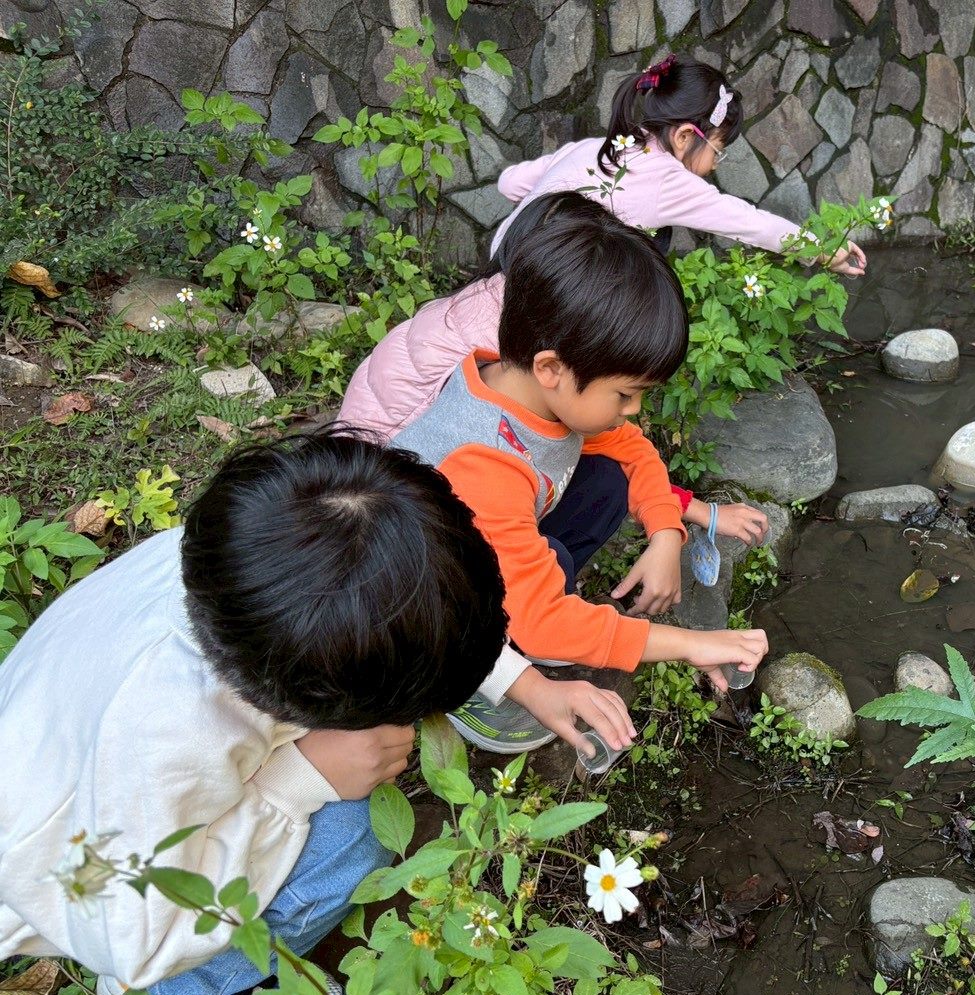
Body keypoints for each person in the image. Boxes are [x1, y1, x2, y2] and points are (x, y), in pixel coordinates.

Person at [0, 433, 630, 995]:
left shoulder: (260, 561)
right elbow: (131, 931)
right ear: (311, 690)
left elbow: (400, 604)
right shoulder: (161, 735)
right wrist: (302, 780)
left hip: (91, 770)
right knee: (352, 831)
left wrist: (522, 681)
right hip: (101, 895)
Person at [391, 192, 768, 748]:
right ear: (551, 367)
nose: (634, 408)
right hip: (422, 608)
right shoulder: (479, 460)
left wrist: (666, 533)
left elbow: (633, 448)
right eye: (626, 393)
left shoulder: (533, 393)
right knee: (541, 595)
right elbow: (545, 617)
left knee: (608, 481)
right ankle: (485, 678)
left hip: (485, 545)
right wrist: (691, 643)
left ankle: (527, 608)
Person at [337, 193, 771, 552]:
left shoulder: (513, 310)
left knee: (604, 471)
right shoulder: (509, 360)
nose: (634, 409)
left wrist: (676, 514)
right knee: (559, 548)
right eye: (625, 395)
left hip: (401, 478)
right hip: (389, 518)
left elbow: (621, 442)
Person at [493, 52, 868, 272]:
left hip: (503, 262)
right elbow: (751, 224)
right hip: (541, 295)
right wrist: (823, 251)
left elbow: (509, 184)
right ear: (686, 136)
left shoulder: (598, 146)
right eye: (718, 150)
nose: (716, 164)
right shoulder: (668, 180)